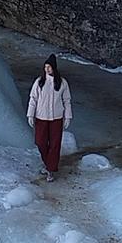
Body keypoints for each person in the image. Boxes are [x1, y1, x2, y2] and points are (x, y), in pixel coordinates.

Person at [26, 53, 71, 182]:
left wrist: (67, 116)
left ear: (54, 68)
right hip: (41, 117)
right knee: (40, 142)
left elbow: (66, 100)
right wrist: (30, 114)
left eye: (49, 67)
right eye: (45, 67)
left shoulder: (62, 83)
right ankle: (48, 164)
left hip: (56, 118)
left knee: (55, 144)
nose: (47, 69)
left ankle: (51, 169)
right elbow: (33, 99)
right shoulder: (39, 82)